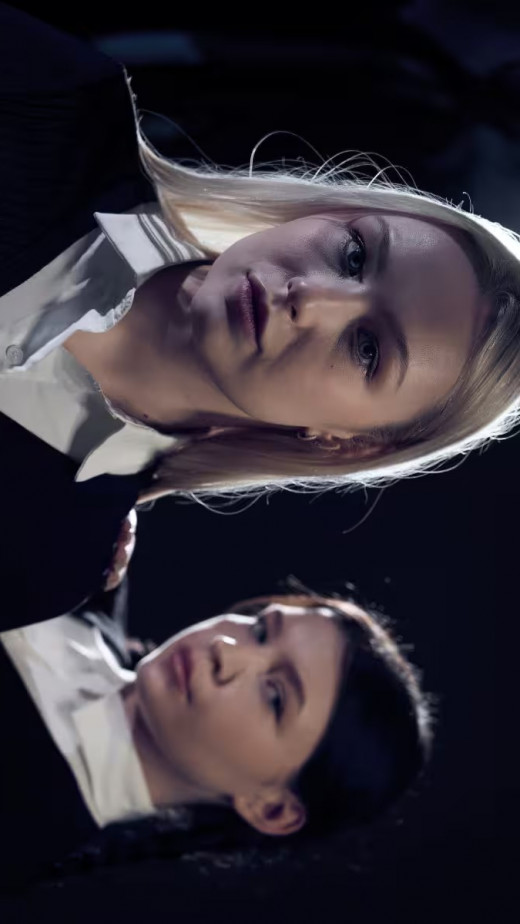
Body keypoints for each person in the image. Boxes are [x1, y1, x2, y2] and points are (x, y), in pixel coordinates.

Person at [1, 3, 519, 623]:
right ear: (329, 213)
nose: (312, 299)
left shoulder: (52, 559)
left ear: (351, 443)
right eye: (355, 254)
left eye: (368, 349)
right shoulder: (57, 105)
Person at [0, 548, 431, 890]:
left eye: (275, 696)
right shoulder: (96, 565)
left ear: (272, 808)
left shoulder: (23, 824)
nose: (227, 649)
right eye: (259, 630)